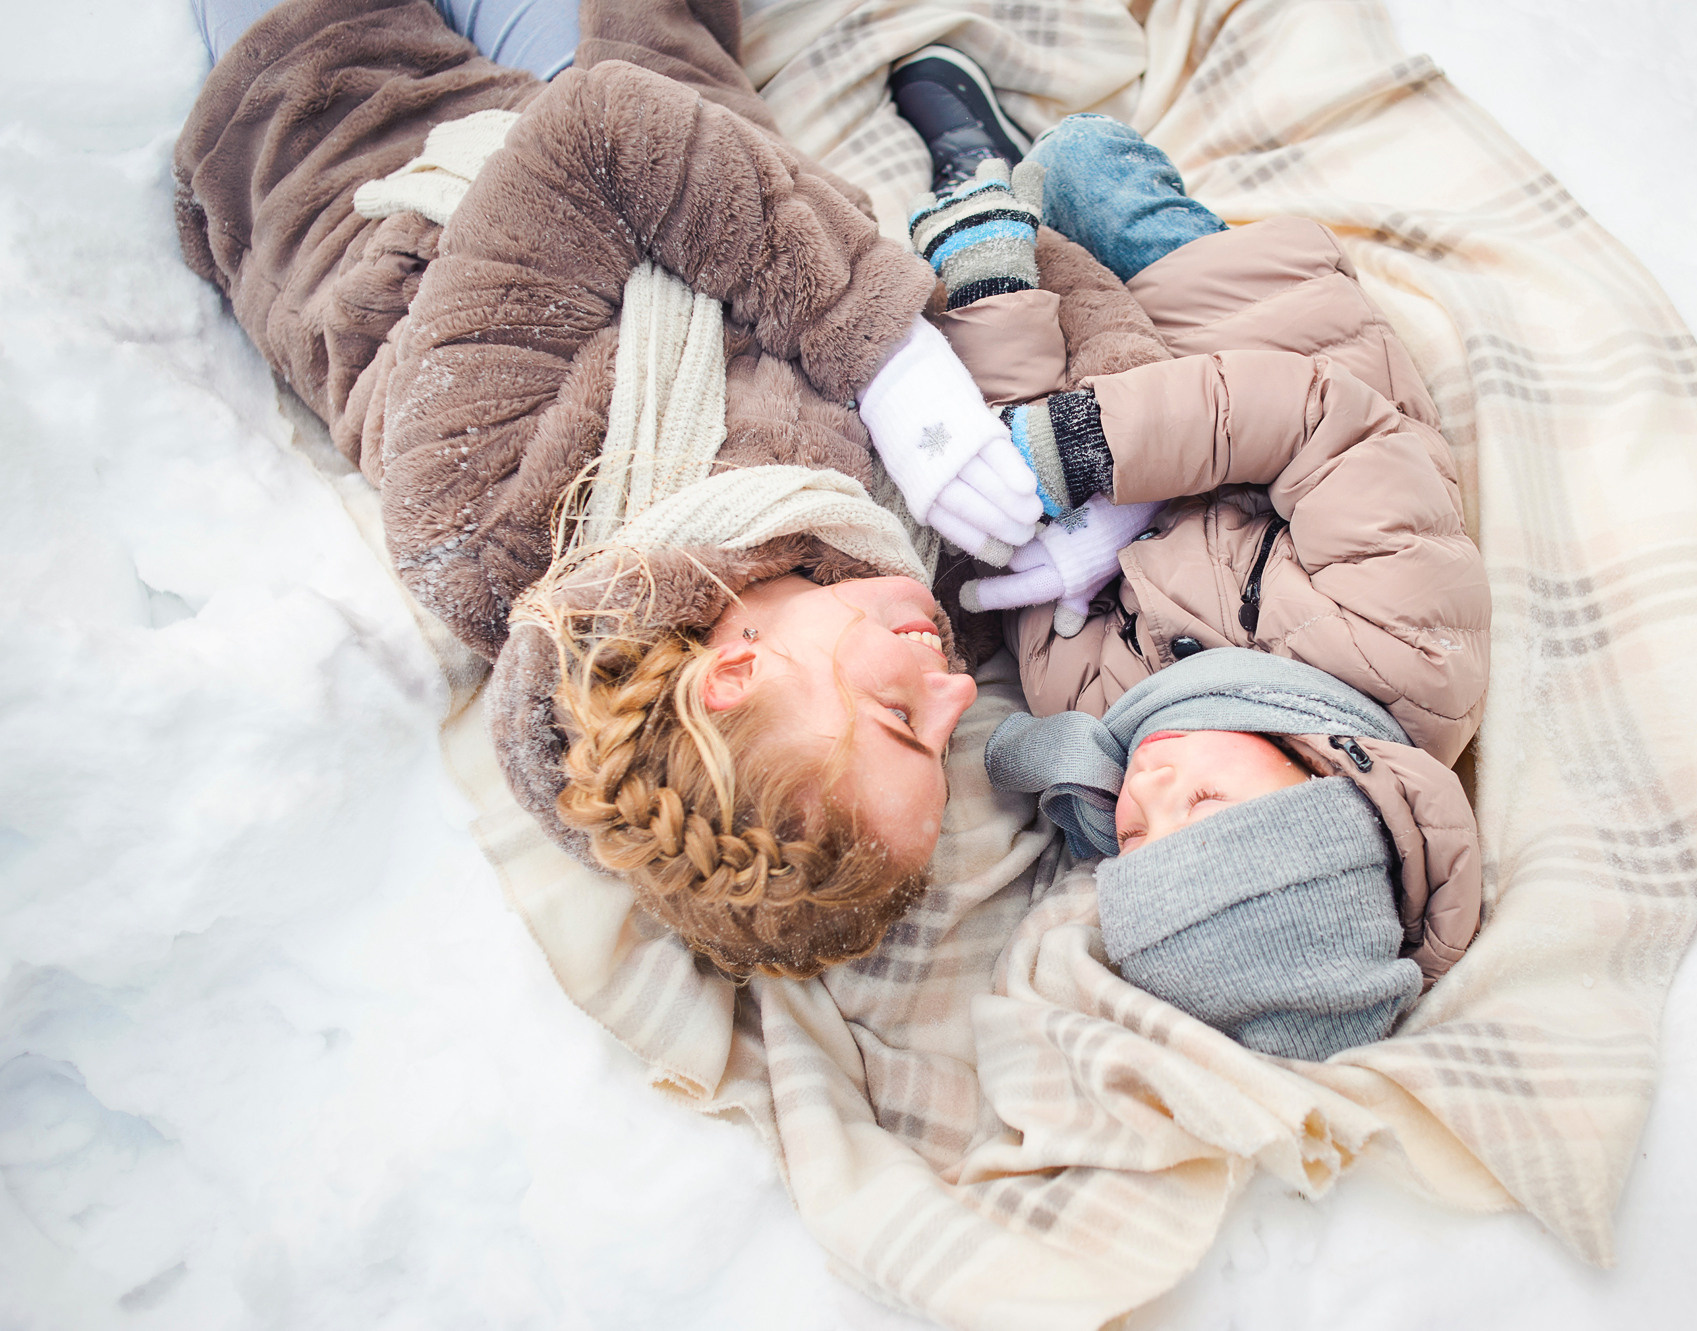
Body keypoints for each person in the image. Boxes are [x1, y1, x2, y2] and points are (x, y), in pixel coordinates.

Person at [176, 0, 1051, 978]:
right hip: (615, 121)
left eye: (901, 720)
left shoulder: (483, 528)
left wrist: (878, 346)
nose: (956, 691)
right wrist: (1098, 481)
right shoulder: (876, 564)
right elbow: (1028, 312)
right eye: (942, 745)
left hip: (353, 115)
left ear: (732, 677)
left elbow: (598, 140)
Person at [878, 80, 1490, 1058]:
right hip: (1246, 337)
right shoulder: (1406, 647)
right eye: (1201, 805)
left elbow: (1026, 527)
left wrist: (996, 293)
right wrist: (1083, 448)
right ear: (1326, 782)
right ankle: (1028, 165)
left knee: (971, 329)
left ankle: (977, 178)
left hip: (1103, 397)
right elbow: (1314, 420)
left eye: (1133, 836)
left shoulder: (1105, 714)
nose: (1149, 787)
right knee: (1079, 162)